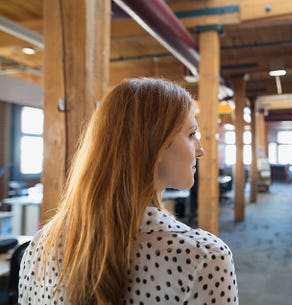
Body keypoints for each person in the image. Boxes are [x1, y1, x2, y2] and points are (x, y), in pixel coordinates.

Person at [19, 78, 239, 305]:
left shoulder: (40, 246)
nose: (200, 150)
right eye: (192, 134)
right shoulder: (203, 258)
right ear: (157, 143)